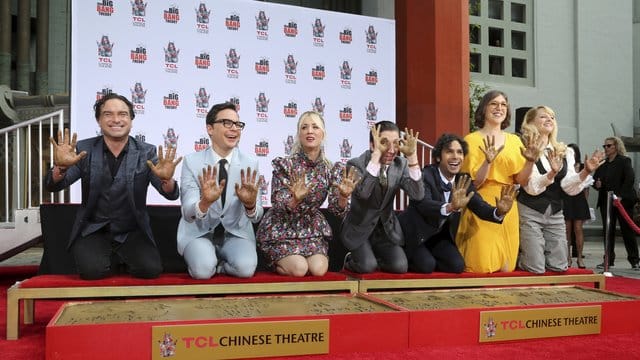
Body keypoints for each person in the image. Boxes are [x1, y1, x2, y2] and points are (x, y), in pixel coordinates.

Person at [45, 93, 182, 280]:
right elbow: (56, 185)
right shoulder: (84, 149)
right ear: (98, 120)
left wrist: (167, 180)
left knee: (150, 270)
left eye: (123, 114)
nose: (116, 119)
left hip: (132, 230)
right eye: (108, 114)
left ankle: (122, 258)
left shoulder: (146, 152)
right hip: (93, 229)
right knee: (92, 271)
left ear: (131, 120)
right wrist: (60, 167)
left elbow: (170, 194)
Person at [256, 111, 359, 277]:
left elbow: (336, 209)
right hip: (282, 228)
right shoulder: (286, 165)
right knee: (299, 269)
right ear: (299, 134)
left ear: (323, 134)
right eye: (304, 127)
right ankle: (274, 263)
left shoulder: (331, 169)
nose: (309, 131)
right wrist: (294, 200)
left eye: (315, 127)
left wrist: (343, 197)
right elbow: (277, 201)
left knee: (318, 270)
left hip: (311, 229)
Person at [398, 134, 517, 273]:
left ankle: (428, 256)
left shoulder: (463, 179)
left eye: (459, 152)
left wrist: (499, 211)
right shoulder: (427, 174)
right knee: (426, 266)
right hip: (416, 234)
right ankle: (406, 252)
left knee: (457, 266)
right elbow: (424, 204)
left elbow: (480, 206)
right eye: (449, 151)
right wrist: (450, 207)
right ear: (438, 157)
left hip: (439, 237)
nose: (455, 156)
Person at [455, 90, 539, 273]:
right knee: (480, 265)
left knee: (506, 267)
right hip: (481, 204)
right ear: (484, 108)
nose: (499, 108)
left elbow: (522, 181)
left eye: (503, 104)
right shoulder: (470, 140)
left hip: (508, 203)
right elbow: (473, 184)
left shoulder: (515, 141)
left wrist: (531, 162)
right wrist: (487, 162)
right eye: (493, 103)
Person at [177, 102, 263, 279]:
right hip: (199, 233)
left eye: (238, 124)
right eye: (227, 123)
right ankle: (207, 261)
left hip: (235, 233)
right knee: (202, 272)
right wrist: (204, 203)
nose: (234, 129)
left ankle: (222, 266)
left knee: (245, 269)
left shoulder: (250, 163)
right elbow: (187, 212)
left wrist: (250, 205)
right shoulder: (192, 162)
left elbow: (257, 216)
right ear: (210, 129)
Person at [516, 106, 604, 274]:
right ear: (530, 122)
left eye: (552, 117)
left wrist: (585, 171)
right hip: (530, 209)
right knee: (535, 266)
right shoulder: (523, 148)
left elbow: (568, 188)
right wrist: (551, 173)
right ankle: (519, 258)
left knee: (559, 266)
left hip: (556, 211)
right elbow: (532, 187)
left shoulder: (565, 151)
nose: (549, 119)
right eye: (543, 116)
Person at [340, 121, 424, 273]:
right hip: (359, 229)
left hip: (386, 230)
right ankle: (350, 259)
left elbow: (417, 195)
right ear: (373, 145)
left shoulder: (401, 164)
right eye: (384, 143)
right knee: (367, 266)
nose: (392, 150)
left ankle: (374, 257)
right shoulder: (355, 164)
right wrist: (377, 156)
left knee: (400, 267)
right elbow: (364, 193)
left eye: (396, 143)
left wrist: (412, 157)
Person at [593, 136, 639, 269]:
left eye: (609, 146)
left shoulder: (624, 161)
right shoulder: (603, 163)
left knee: (627, 231)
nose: (606, 148)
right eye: (605, 146)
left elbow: (629, 179)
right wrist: (597, 184)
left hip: (622, 202)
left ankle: (634, 260)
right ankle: (608, 260)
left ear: (616, 147)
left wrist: (620, 196)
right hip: (606, 202)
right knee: (608, 231)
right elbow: (595, 180)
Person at [562, 143, 592, 268]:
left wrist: (585, 203)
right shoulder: (564, 165)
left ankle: (579, 257)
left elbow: (587, 188)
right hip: (565, 198)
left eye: (572, 152)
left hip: (579, 199)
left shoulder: (583, 166)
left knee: (578, 229)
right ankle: (567, 257)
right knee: (567, 230)